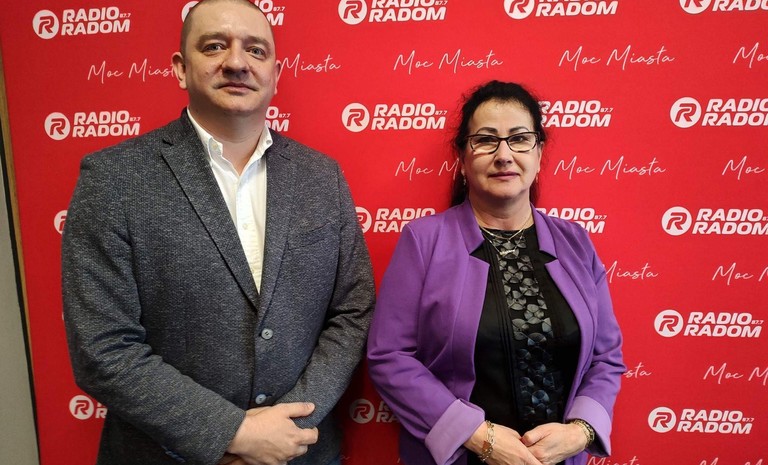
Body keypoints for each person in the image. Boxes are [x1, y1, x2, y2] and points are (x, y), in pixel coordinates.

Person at [61, 1, 375, 464]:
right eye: (213, 46)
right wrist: (234, 433)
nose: (236, 62)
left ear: (275, 73)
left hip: (300, 452)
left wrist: (288, 428)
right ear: (180, 68)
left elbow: (353, 310)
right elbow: (102, 347)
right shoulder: (113, 179)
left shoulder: (322, 177)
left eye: (256, 50)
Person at [367, 80, 624, 465]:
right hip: (460, 457)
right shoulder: (424, 241)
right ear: (462, 157)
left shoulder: (575, 242)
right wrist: (477, 436)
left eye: (519, 139)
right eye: (486, 140)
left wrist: (580, 431)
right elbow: (389, 356)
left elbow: (606, 357)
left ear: (539, 152)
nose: (504, 155)